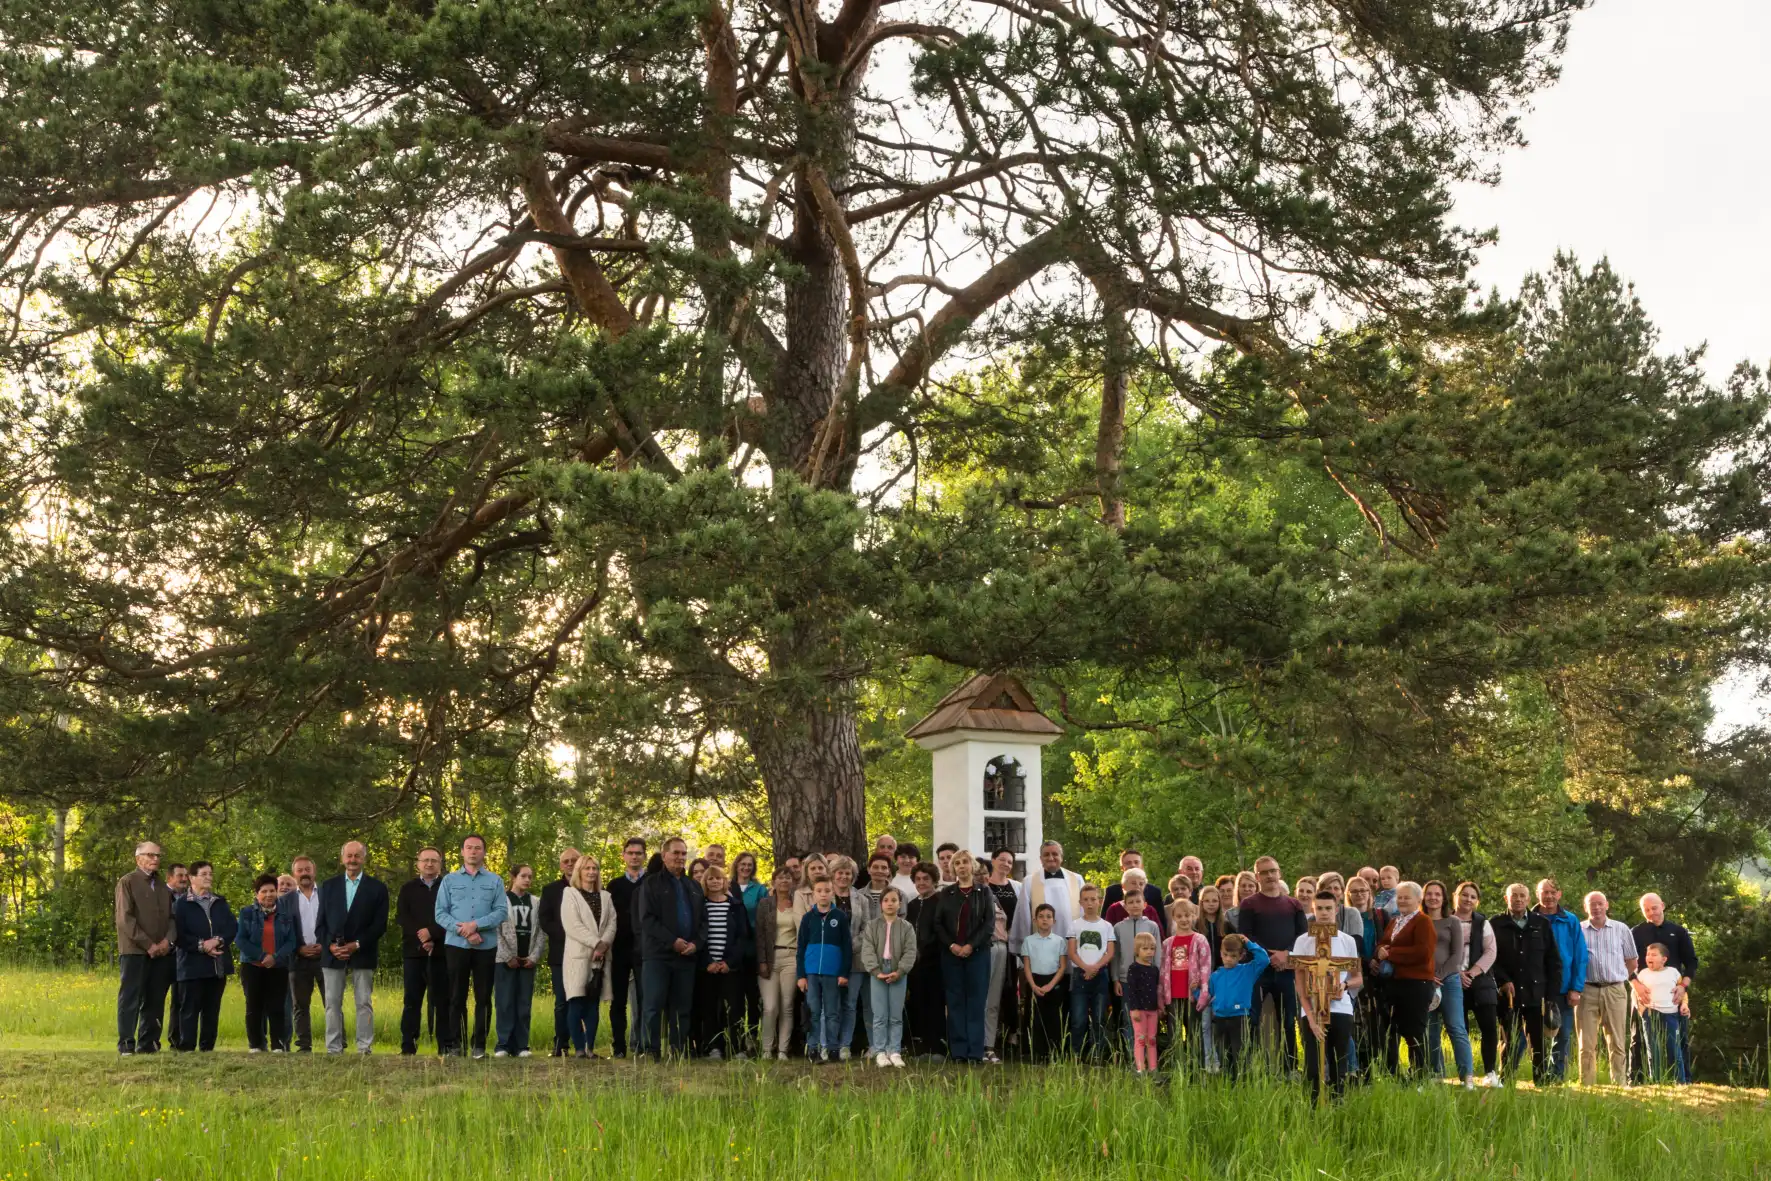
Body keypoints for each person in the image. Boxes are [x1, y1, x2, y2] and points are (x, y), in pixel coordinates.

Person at [432, 836, 506, 1058]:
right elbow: (440, 913)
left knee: (483, 998)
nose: (473, 851)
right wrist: (463, 930)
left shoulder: (495, 881)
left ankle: (479, 1045)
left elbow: (501, 911)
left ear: (484, 852)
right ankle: (456, 1044)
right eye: (469, 848)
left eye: (478, 848)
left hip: (486, 947)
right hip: (456, 945)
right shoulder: (449, 881)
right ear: (462, 852)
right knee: (456, 996)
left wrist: (476, 926)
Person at [314, 840, 388, 1055]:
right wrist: (330, 946)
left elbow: (379, 925)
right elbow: (321, 923)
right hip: (332, 953)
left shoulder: (377, 888)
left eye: (357, 856)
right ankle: (334, 1048)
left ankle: (364, 1047)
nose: (352, 860)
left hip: (363, 952)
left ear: (364, 858)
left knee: (363, 1002)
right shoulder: (328, 886)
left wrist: (356, 944)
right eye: (349, 856)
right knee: (332, 1003)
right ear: (342, 858)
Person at [635, 836, 705, 1059]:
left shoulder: (693, 886)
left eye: (684, 853)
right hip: (658, 956)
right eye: (676, 853)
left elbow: (703, 922)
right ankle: (650, 1050)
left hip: (686, 957)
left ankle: (679, 1049)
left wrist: (696, 944)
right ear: (664, 856)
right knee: (653, 1005)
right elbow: (647, 920)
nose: (680, 857)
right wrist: (672, 941)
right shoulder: (651, 884)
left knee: (682, 1008)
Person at [1236, 856, 1308, 1073]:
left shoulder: (1293, 904)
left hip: (1286, 971)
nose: (1269, 875)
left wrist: (1286, 954)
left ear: (1280, 873)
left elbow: (1303, 935)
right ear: (1257, 877)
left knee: (1288, 1021)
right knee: (1252, 1019)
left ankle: (1290, 1068)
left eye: (1272, 871)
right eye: (1264, 872)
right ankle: (1252, 1066)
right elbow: (1245, 936)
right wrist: (1269, 956)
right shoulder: (1249, 904)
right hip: (1258, 971)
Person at [1293, 892, 1362, 1102]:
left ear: (1336, 909)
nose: (1323, 913)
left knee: (1338, 1064)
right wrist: (1312, 1019)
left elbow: (1358, 978)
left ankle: (1337, 1106)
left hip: (1340, 1009)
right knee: (1313, 1068)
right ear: (1313, 909)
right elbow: (1300, 984)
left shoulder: (1347, 940)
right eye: (1319, 908)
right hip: (1313, 1010)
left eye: (1328, 908)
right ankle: (1314, 1108)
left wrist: (1344, 984)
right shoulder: (1303, 941)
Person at [1492, 881, 1561, 1084]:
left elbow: (1553, 961)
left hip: (1536, 992)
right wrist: (1502, 981)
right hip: (1508, 994)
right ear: (1507, 899)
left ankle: (1541, 1080)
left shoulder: (1542, 924)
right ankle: (1506, 1079)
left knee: (1538, 1041)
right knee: (1508, 1039)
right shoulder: (1495, 924)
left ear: (1529, 899)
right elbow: (1490, 959)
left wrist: (1551, 996)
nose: (1519, 899)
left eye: (1523, 896)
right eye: (1514, 895)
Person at [933, 848, 996, 1063]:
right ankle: (959, 1051)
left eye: (965, 862)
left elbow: (989, 925)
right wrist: (952, 945)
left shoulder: (984, 892)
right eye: (957, 863)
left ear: (972, 866)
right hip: (951, 955)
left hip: (978, 954)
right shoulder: (947, 893)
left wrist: (970, 945)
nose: (961, 866)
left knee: (976, 1002)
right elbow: (938, 923)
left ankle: (975, 1052)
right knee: (955, 1002)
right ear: (952, 868)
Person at [114, 840, 176, 1056]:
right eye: (150, 855)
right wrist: (148, 944)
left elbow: (171, 918)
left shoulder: (161, 886)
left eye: (158, 856)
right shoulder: (127, 882)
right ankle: (127, 1044)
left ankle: (148, 1044)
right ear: (138, 858)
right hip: (135, 951)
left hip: (161, 953)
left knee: (155, 998)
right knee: (131, 997)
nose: (155, 859)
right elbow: (125, 919)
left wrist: (166, 942)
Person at [1631, 892, 1698, 1080]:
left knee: (1679, 1040)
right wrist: (1635, 985)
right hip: (1643, 993)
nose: (1651, 913)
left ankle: (1683, 1081)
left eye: (1654, 908)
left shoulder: (1678, 931)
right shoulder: (1636, 932)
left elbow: (1691, 962)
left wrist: (1683, 986)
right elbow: (1626, 963)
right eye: (1646, 910)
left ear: (1663, 905)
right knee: (1639, 1039)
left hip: (1673, 993)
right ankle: (1638, 1080)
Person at [172, 861, 237, 1052]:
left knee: (211, 1010)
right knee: (189, 1009)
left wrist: (217, 940)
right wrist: (202, 945)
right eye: (204, 874)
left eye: (210, 873)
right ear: (192, 878)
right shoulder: (181, 905)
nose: (209, 877)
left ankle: (207, 1049)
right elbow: (179, 935)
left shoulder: (220, 902)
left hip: (216, 965)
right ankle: (187, 1048)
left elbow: (232, 927)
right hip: (191, 966)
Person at [559, 853, 617, 1058]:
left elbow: (612, 924)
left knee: (593, 1003)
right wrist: (596, 943)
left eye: (595, 868)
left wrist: (603, 946)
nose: (592, 872)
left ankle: (591, 1049)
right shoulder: (570, 894)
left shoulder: (606, 896)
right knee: (576, 1001)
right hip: (578, 956)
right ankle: (579, 1049)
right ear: (579, 871)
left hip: (600, 958)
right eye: (588, 868)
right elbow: (572, 925)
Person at [1375, 881, 1435, 1078]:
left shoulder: (1423, 921)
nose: (1402, 901)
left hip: (1416, 984)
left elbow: (1422, 953)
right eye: (1399, 897)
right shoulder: (1394, 921)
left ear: (1418, 900)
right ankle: (1391, 1073)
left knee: (1413, 1031)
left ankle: (1419, 1074)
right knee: (1390, 1029)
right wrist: (1380, 951)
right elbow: (1383, 944)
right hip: (1394, 983)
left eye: (1406, 897)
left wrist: (1390, 954)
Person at [1577, 890, 1637, 1087]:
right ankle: (1587, 1085)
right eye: (1591, 904)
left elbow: (1631, 961)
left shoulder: (1621, 929)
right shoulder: (1578, 930)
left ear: (1607, 905)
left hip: (1615, 990)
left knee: (1617, 1041)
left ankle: (1619, 1084)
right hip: (1587, 990)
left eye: (1600, 903)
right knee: (1586, 1043)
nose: (1596, 907)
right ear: (1585, 908)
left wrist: (1616, 977)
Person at [234, 873, 297, 1053]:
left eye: (272, 891)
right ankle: (256, 1045)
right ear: (257, 894)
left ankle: (278, 1045)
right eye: (264, 891)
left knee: (277, 1006)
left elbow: (291, 941)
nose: (268, 894)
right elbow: (240, 939)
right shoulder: (246, 913)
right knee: (254, 1006)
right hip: (253, 966)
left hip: (278, 967)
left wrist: (275, 957)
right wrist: (262, 956)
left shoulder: (285, 915)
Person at [395, 847, 448, 1056]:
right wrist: (422, 938)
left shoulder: (448, 886)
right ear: (417, 863)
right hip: (414, 952)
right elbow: (402, 917)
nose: (429, 864)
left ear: (440, 864)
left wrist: (433, 935)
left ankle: (445, 1046)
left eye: (434, 861)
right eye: (425, 860)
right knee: (412, 1001)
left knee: (442, 1001)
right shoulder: (407, 888)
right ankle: (408, 1046)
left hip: (442, 952)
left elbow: (452, 916)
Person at [1532, 877, 1586, 1082]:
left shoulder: (1570, 920)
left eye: (1553, 892)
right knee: (1533, 1034)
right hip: (1535, 987)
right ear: (1537, 894)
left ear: (1559, 894)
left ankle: (1557, 1077)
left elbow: (1580, 956)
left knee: (1561, 1036)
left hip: (1564, 988)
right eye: (1544, 892)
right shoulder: (1530, 917)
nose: (1549, 896)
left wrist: (1576, 987)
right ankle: (1537, 1074)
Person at [1420, 880, 1473, 1087]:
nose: (1433, 897)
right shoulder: (1418, 921)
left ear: (1443, 898)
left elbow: (1456, 955)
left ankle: (1467, 1075)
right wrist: (1427, 977)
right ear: (1424, 897)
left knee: (1456, 1026)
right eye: (1429, 894)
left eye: (1437, 894)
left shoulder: (1452, 922)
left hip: (1449, 979)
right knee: (1430, 1028)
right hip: (1424, 981)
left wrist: (1438, 977)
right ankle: (1436, 1073)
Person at [696, 864, 751, 1059]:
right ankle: (714, 1048)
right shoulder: (700, 905)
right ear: (705, 882)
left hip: (731, 968)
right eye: (710, 878)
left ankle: (736, 1048)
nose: (715, 881)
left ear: (724, 881)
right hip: (708, 967)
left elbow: (742, 937)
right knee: (711, 1009)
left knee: (735, 1008)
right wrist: (707, 962)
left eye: (718, 878)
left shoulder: (735, 906)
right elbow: (697, 936)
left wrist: (729, 962)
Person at [860, 885, 917, 1068]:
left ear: (900, 904)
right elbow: (867, 950)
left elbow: (910, 951)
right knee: (879, 1014)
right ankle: (880, 1051)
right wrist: (876, 971)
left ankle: (894, 1050)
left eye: (894, 900)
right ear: (881, 904)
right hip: (878, 971)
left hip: (898, 971)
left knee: (895, 1015)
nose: (890, 904)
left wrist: (900, 971)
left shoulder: (907, 927)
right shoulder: (872, 926)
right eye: (886, 900)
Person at [796, 877, 851, 1063]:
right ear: (813, 894)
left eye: (827, 890)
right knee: (813, 1011)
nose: (823, 894)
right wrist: (801, 975)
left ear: (832, 892)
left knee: (832, 1012)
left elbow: (847, 947)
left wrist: (843, 973)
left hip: (832, 973)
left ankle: (833, 1049)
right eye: (819, 890)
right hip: (811, 973)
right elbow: (801, 948)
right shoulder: (807, 918)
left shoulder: (840, 917)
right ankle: (813, 1049)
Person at [492, 864, 544, 1058]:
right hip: (505, 960)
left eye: (530, 876)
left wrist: (534, 957)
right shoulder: (501, 900)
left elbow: (540, 932)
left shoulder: (536, 902)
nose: (528, 880)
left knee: (524, 1003)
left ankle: (522, 1045)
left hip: (527, 960)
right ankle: (503, 1045)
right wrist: (507, 956)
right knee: (504, 1002)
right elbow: (495, 931)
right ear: (513, 877)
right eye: (523, 876)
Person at [1453, 880, 1502, 1086]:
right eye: (1465, 895)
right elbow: (1439, 951)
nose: (1468, 899)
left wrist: (1471, 973)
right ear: (1456, 896)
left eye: (1473, 897)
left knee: (1489, 1027)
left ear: (1477, 901)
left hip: (1481, 982)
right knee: (1459, 1029)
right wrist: (1457, 974)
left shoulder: (1483, 922)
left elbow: (1491, 951)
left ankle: (1490, 1072)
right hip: (1453, 982)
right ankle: (1466, 1075)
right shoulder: (1446, 920)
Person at [829, 854, 876, 1059]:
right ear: (833, 874)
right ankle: (830, 1043)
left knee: (851, 1002)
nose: (843, 876)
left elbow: (867, 927)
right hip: (831, 956)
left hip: (856, 958)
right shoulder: (824, 896)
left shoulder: (862, 899)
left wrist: (850, 946)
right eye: (839, 872)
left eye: (847, 873)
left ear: (853, 876)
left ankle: (845, 1046)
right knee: (832, 1003)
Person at [535, 847, 579, 1057]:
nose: (570, 864)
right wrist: (569, 934)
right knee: (562, 1001)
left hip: (585, 955)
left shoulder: (591, 887)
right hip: (560, 954)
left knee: (582, 1001)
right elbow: (545, 920)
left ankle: (583, 1045)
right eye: (566, 861)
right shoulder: (550, 890)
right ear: (561, 865)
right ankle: (560, 1045)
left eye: (574, 860)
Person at [606, 837, 647, 1058]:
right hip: (619, 949)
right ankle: (619, 1046)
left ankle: (642, 1045)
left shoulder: (650, 882)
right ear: (623, 855)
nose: (634, 857)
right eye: (630, 853)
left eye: (638, 853)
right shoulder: (614, 885)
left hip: (644, 950)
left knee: (644, 999)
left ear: (644, 856)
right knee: (618, 1000)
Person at [1008, 841, 1087, 954]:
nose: (1051, 858)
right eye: (1046, 855)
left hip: (1072, 941)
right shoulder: (1030, 881)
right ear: (1041, 859)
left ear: (1061, 857)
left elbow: (1084, 911)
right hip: (1040, 944)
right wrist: (1024, 947)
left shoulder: (1077, 879)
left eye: (1055, 854)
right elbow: (1023, 916)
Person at [1161, 899, 1212, 1071]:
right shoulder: (1168, 943)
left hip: (1192, 995)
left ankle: (1196, 1070)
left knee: (1194, 1033)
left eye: (1188, 915)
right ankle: (1178, 1069)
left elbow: (1206, 967)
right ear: (1174, 917)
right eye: (1180, 916)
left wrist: (1204, 992)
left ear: (1194, 916)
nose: (1184, 919)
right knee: (1174, 1033)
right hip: (1173, 995)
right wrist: (1162, 996)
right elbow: (1163, 972)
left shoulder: (1199, 940)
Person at [1210, 934, 1270, 1081]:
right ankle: (1227, 1086)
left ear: (1241, 956)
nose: (1229, 959)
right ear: (1220, 953)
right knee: (1224, 1055)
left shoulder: (1248, 971)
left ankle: (1242, 1086)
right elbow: (1208, 995)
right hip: (1220, 1019)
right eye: (1225, 955)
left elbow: (1264, 959)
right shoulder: (1215, 975)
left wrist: (1249, 943)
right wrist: (1196, 991)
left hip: (1240, 1018)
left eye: (1233, 955)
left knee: (1240, 1055)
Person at [1066, 882, 1115, 1061]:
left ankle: (1097, 1055)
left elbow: (1110, 952)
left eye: (1093, 899)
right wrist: (1086, 968)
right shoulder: (1075, 925)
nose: (1090, 903)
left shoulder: (1107, 926)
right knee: (1078, 1019)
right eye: (1086, 900)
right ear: (1080, 902)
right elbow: (1072, 952)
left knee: (1099, 1018)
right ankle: (1077, 1054)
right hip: (1080, 976)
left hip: (1100, 976)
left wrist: (1095, 968)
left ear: (1099, 901)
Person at [1111, 888, 1162, 1060]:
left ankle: (1149, 1057)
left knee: (1148, 1019)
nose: (1134, 905)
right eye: (1130, 902)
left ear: (1145, 904)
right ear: (1124, 906)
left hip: (1148, 980)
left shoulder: (1151, 926)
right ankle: (1132, 1058)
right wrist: (1115, 978)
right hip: (1126, 980)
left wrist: (1158, 978)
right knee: (1129, 1018)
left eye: (1138, 902)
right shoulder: (1118, 928)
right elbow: (1116, 955)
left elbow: (1158, 952)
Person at [903, 862, 946, 1059]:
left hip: (935, 961)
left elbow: (941, 931)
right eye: (918, 879)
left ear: (934, 880)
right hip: (915, 963)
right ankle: (922, 1046)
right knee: (918, 1003)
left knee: (935, 1004)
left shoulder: (940, 902)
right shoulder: (912, 905)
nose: (921, 883)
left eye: (925, 879)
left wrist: (926, 949)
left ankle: (936, 1046)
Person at [983, 849, 1022, 1063]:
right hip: (989, 946)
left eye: (1009, 861)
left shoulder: (1017, 887)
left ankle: (1011, 1035)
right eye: (1002, 860)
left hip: (1010, 946)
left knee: (1009, 990)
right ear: (993, 861)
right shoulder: (984, 886)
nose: (1006, 864)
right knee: (988, 991)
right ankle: (990, 1037)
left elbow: (1022, 917)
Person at [756, 866, 799, 1060]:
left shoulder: (797, 903)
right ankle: (766, 1049)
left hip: (791, 957)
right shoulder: (765, 904)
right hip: (770, 957)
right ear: (773, 881)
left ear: (793, 881)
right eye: (780, 877)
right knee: (770, 1006)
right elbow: (760, 935)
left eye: (788, 877)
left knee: (787, 1005)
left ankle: (783, 1049)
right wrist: (762, 961)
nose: (784, 881)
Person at [1633, 943, 1690, 1083]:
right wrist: (1641, 1010)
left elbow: (1682, 991)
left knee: (1674, 1048)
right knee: (1653, 1050)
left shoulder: (1673, 972)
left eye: (1653, 955)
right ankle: (1655, 1081)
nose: (1649, 957)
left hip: (1671, 1014)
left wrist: (1684, 1005)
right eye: (1647, 955)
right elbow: (1635, 993)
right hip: (1650, 1013)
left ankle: (1680, 1082)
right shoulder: (1643, 974)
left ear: (1664, 959)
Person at [286, 855, 324, 1053]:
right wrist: (298, 948)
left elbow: (336, 923)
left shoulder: (328, 894)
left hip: (326, 956)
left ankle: (337, 1045)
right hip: (298, 958)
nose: (304, 874)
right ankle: (303, 1046)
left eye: (307, 869)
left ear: (314, 871)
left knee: (332, 1003)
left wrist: (325, 945)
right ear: (294, 874)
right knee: (300, 1005)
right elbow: (284, 931)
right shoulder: (286, 900)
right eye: (300, 870)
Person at [1020, 903, 1068, 1062]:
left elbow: (1062, 967)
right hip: (1035, 981)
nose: (1045, 920)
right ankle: (1036, 1052)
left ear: (1054, 921)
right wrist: (1033, 985)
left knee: (1053, 1018)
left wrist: (1051, 985)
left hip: (1053, 982)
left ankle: (1053, 1052)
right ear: (1035, 920)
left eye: (1048, 917)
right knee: (1035, 1019)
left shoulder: (1059, 941)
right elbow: (1026, 966)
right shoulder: (1028, 941)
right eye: (1041, 917)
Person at [1121, 932, 1162, 1074]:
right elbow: (1131, 991)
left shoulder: (1154, 969)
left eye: (1152, 948)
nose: (1149, 952)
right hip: (1139, 1010)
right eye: (1145, 948)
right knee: (1140, 1038)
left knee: (1152, 1039)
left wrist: (1160, 1006)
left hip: (1152, 1009)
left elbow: (1157, 989)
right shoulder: (1134, 969)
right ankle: (1140, 1069)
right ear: (1137, 950)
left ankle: (1153, 1068)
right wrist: (1134, 1009)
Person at [163, 861, 191, 1050]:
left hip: (184, 955)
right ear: (169, 878)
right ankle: (148, 1041)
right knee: (154, 999)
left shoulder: (190, 898)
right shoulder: (160, 896)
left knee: (180, 999)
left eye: (185, 875)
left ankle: (177, 1041)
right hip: (163, 953)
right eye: (179, 875)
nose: (183, 879)